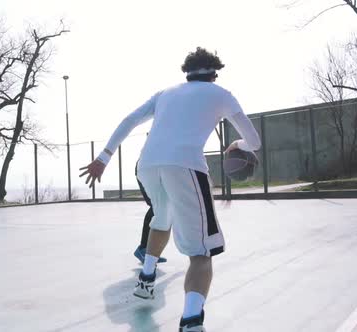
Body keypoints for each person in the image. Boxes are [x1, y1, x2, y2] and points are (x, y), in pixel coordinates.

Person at [80, 47, 261, 332]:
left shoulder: (165, 94)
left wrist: (104, 157)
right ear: (214, 73)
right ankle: (191, 322)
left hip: (148, 164)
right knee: (202, 254)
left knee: (161, 216)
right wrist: (236, 146)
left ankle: (147, 278)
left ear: (186, 73)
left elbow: (129, 119)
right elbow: (254, 141)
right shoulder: (221, 94)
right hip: (186, 166)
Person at [133, 164, 167, 264]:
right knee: (156, 205)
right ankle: (143, 249)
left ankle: (150, 252)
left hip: (156, 170)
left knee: (159, 206)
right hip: (145, 169)